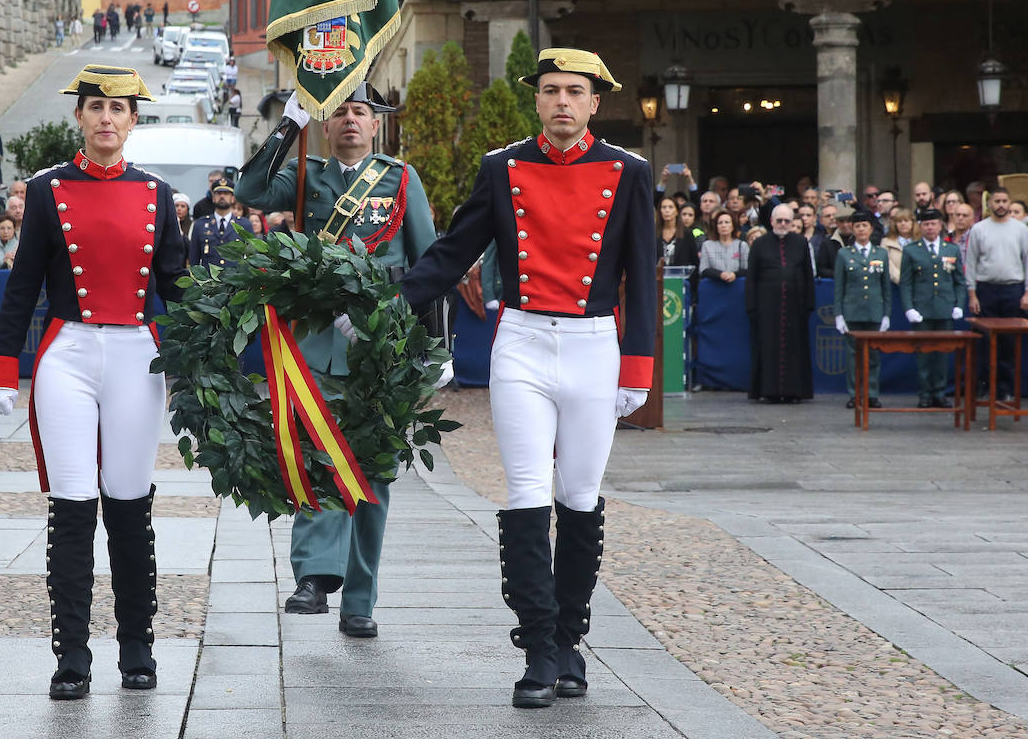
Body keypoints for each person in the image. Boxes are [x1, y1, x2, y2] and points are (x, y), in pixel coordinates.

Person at [394, 48, 654, 708]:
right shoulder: (501, 167)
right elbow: (453, 252)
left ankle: (570, 637)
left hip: (595, 344)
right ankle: (538, 646)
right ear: (535, 100)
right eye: (551, 91)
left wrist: (640, 364)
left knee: (581, 496)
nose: (562, 102)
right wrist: (385, 305)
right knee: (527, 495)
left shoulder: (630, 173)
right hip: (524, 342)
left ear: (596, 101)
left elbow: (642, 275)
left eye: (575, 91)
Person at [0, 64, 188, 701]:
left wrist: (195, 365)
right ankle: (71, 655)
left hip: (135, 355)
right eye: (95, 107)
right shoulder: (47, 189)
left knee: (130, 506)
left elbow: (176, 287)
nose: (105, 118)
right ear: (80, 116)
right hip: (67, 353)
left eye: (118, 109)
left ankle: (137, 649)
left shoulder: (156, 193)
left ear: (132, 121)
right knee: (71, 509)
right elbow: (22, 287)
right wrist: (0, 364)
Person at [236, 81, 438, 646]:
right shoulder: (308, 173)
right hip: (318, 342)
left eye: (361, 113)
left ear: (376, 124)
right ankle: (314, 576)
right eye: (340, 112)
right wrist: (289, 125)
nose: (350, 121)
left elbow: (429, 263)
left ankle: (360, 599)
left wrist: (430, 345)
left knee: (371, 472)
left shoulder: (400, 179)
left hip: (381, 345)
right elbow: (249, 187)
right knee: (317, 455)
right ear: (327, 124)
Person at [965, 187, 1028, 401]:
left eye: (1005, 200)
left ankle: (1005, 389)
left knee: (1008, 342)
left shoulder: (1020, 229)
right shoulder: (979, 229)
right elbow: (971, 262)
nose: (1001, 205)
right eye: (997, 201)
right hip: (986, 288)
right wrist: (972, 294)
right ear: (989, 204)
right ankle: (985, 386)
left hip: (1013, 289)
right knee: (984, 340)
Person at [746, 203, 814, 404]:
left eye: (787, 221)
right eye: (779, 220)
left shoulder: (800, 242)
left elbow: (808, 274)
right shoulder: (760, 244)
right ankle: (768, 391)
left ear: (792, 222)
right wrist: (751, 306)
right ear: (772, 222)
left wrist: (809, 304)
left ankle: (794, 392)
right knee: (768, 349)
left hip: (795, 307)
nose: (783, 224)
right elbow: (751, 278)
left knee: (794, 350)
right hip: (767, 307)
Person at [900, 208, 966, 408]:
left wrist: (959, 305)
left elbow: (959, 282)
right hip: (922, 311)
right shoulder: (911, 250)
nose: (930, 227)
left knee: (942, 354)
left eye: (934, 223)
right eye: (926, 224)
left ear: (940, 225)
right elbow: (906, 283)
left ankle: (940, 392)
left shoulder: (951, 250)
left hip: (945, 309)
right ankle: (925, 394)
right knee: (924, 354)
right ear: (921, 226)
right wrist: (909, 308)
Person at [834, 210, 892, 409]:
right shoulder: (844, 254)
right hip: (852, 311)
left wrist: (886, 314)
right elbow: (839, 287)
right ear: (852, 228)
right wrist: (839, 315)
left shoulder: (881, 253)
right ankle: (854, 394)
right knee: (853, 356)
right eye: (857, 226)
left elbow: (886, 287)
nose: (861, 229)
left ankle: (872, 394)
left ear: (871, 228)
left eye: (864, 226)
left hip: (874, 311)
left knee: (873, 355)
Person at [187, 180, 253, 266]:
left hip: (235, 277)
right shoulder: (200, 224)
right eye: (218, 193)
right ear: (213, 198)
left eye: (226, 193)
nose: (222, 196)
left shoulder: (244, 224)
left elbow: (252, 256)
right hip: (208, 278)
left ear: (233, 198)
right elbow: (194, 259)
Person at [698, 209, 747, 283]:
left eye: (727, 222)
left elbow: (747, 269)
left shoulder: (742, 245)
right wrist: (720, 274)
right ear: (716, 227)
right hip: (714, 285)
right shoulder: (707, 245)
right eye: (720, 223)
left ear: (733, 226)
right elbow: (703, 269)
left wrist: (734, 275)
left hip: (736, 285)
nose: (723, 225)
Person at [655, 196, 698, 268]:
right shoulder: (653, 234)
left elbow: (694, 261)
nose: (667, 210)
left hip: (681, 277)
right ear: (660, 211)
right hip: (657, 277)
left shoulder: (687, 234)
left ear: (677, 211)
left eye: (670, 207)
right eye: (664, 207)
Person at [881, 207, 918, 284]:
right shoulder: (886, 242)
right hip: (894, 285)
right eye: (899, 221)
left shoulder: (920, 241)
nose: (903, 223)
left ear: (912, 222)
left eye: (906, 220)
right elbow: (888, 264)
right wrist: (902, 280)